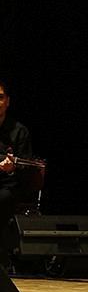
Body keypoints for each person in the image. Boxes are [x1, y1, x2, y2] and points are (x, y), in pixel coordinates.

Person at [0, 79, 34, 220]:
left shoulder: (20, 131)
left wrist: (11, 169)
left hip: (8, 187)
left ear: (7, 101)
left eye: (0, 97)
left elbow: (27, 170)